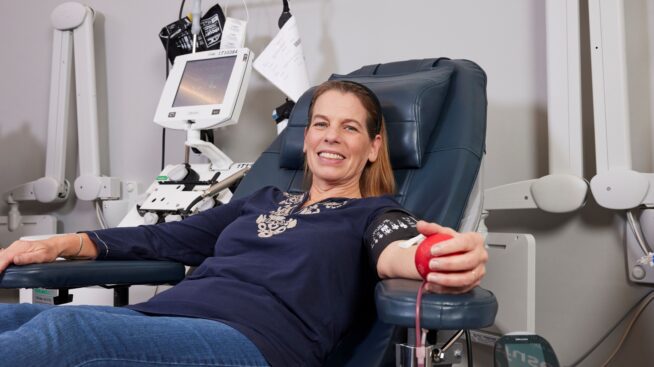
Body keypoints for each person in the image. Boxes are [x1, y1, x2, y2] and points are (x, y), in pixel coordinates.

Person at [0, 80, 487, 367]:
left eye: (350, 127)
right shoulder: (262, 200)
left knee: (66, 332)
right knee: (17, 318)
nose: (331, 137)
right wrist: (63, 241)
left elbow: (399, 252)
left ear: (374, 146)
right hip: (168, 318)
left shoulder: (375, 215)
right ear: (305, 136)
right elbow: (161, 237)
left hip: (253, 342)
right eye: (320, 123)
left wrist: (435, 257)